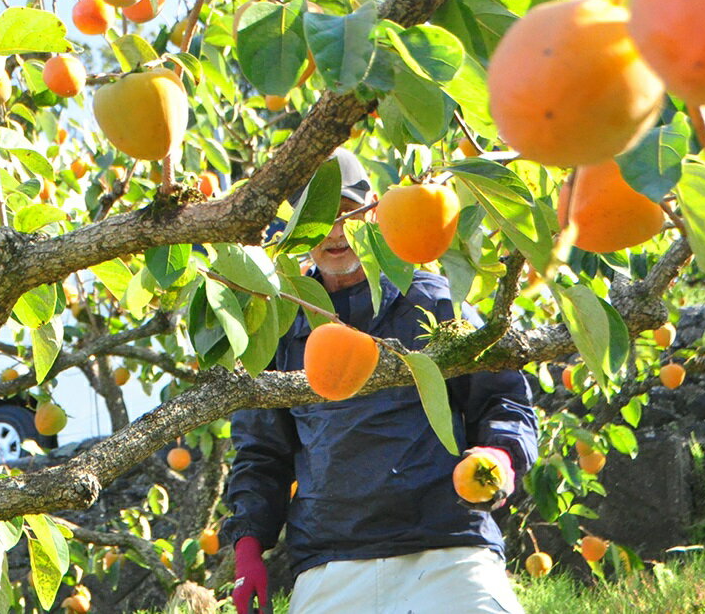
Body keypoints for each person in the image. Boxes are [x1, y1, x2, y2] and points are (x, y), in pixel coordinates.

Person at [224, 149, 539, 614]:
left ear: (374, 207)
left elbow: (504, 400)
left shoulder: (434, 302)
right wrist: (249, 546)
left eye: (346, 211)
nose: (335, 231)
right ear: (293, 229)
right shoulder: (280, 326)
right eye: (317, 219)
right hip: (332, 563)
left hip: (447, 550)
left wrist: (500, 455)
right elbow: (262, 454)